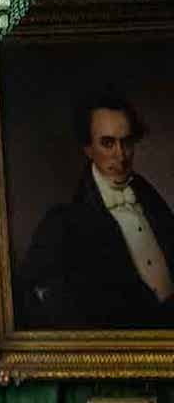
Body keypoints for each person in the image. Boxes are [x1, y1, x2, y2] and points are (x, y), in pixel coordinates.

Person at [18, 92, 174, 329]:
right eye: (108, 143)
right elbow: (36, 297)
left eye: (127, 142)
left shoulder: (149, 197)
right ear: (88, 148)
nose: (120, 155)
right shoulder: (65, 221)